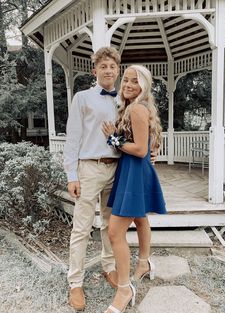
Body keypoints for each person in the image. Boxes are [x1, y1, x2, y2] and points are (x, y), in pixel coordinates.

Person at [102, 64, 166, 313]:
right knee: (140, 219)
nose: (128, 85)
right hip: (133, 170)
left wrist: (113, 139)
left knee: (115, 232)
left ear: (144, 86)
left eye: (134, 81)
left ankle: (125, 288)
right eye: (125, 80)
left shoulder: (137, 108)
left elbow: (140, 149)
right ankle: (144, 263)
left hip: (135, 170)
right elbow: (147, 145)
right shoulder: (134, 107)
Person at [63, 46, 121, 311]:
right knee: (82, 228)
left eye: (113, 66)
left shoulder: (124, 100)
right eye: (104, 66)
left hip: (117, 168)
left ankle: (109, 266)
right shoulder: (82, 98)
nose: (108, 70)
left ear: (117, 70)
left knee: (111, 226)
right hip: (89, 168)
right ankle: (75, 282)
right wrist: (71, 175)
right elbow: (73, 137)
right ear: (94, 70)